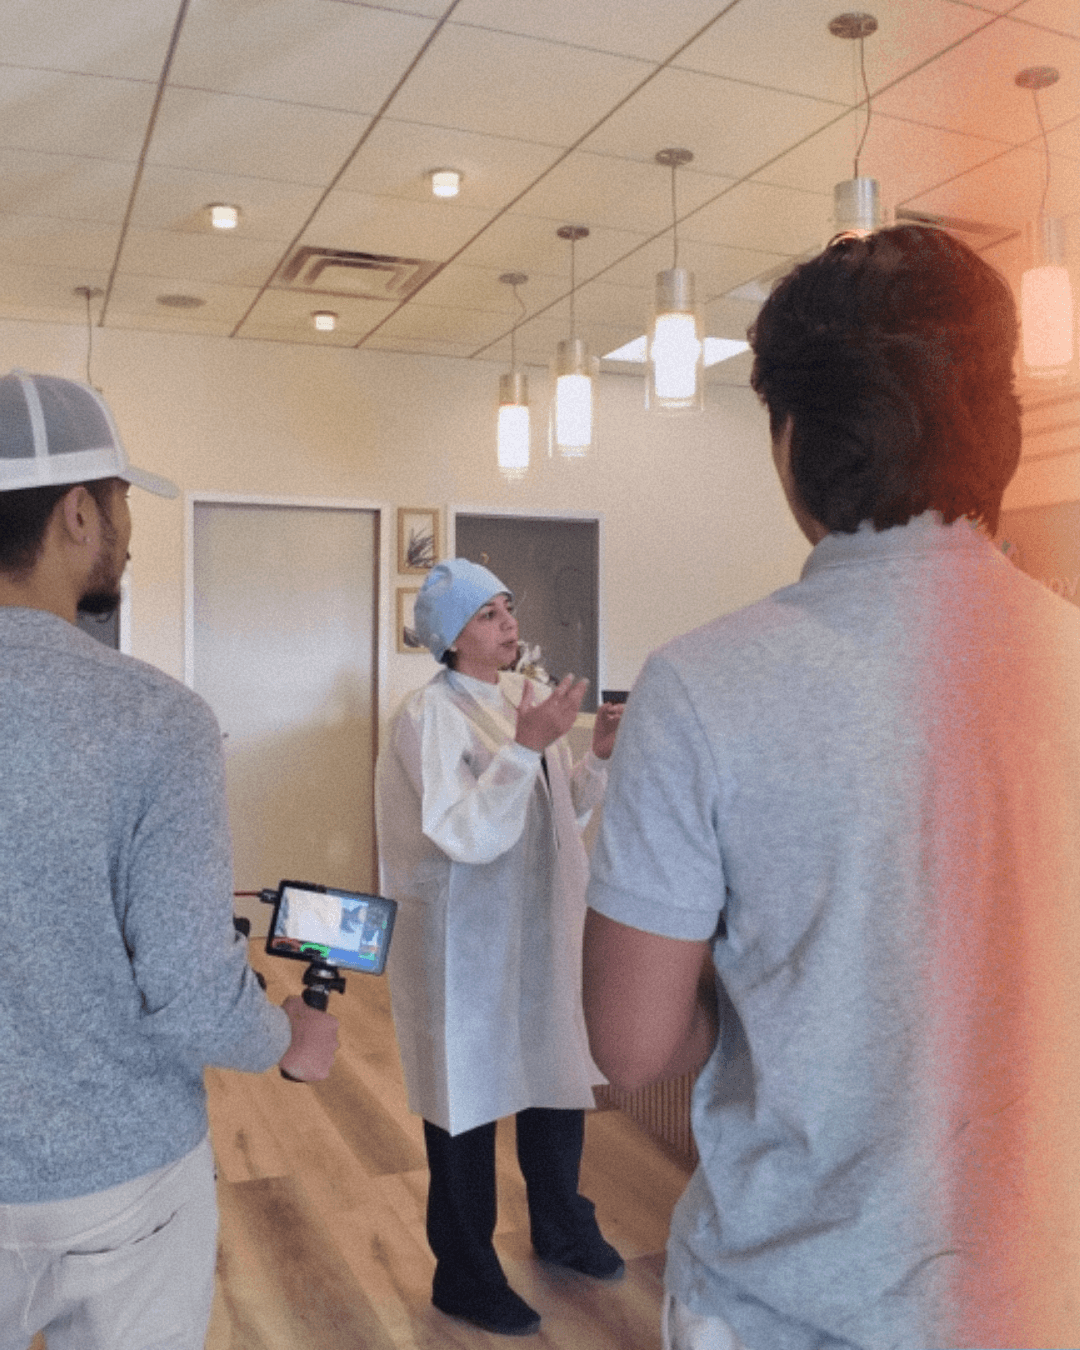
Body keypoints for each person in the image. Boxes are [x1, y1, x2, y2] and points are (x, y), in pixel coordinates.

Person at [582, 226, 1080, 1350]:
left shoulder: (702, 688)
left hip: (789, 1301)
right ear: (998, 431)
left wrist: (786, 1010)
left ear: (793, 440)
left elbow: (628, 1041)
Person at [0, 370, 339, 1350]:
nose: (129, 529)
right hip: (125, 1190)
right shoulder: (157, 721)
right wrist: (291, 1040)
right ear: (75, 514)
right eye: (120, 504)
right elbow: (192, 990)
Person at [376, 557, 624, 1337]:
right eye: (488, 613)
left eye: (509, 607)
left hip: (540, 928)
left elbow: (560, 810)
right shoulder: (426, 717)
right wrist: (526, 746)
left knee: (554, 1073)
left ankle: (562, 1228)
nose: (509, 621)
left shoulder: (525, 698)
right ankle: (465, 1275)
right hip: (466, 942)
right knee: (467, 1096)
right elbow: (465, 833)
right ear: (451, 637)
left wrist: (598, 756)